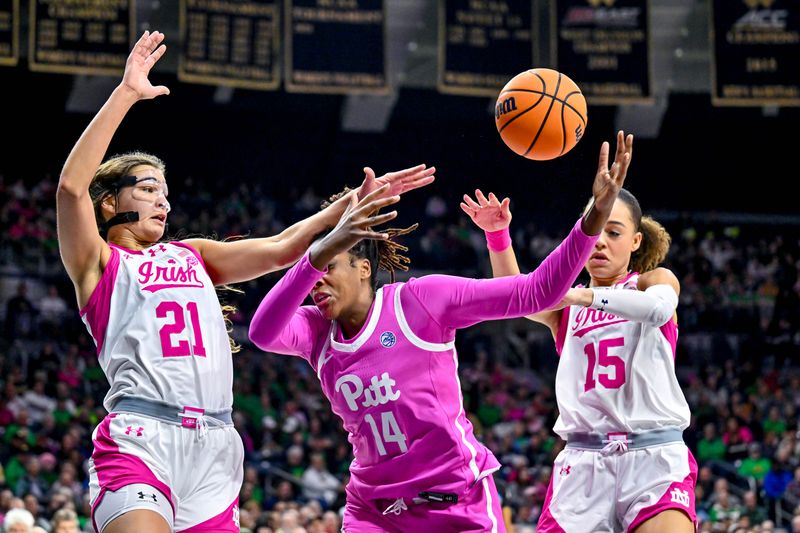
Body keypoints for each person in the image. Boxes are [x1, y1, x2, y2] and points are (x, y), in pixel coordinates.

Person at [55, 30, 434, 533]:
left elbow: (282, 247)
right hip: (143, 435)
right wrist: (126, 93)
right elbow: (70, 187)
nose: (164, 202)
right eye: (148, 189)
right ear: (111, 204)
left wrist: (351, 202)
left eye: (166, 192)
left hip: (215, 445)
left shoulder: (192, 254)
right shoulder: (98, 263)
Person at [248, 134, 631, 532]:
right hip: (375, 510)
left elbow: (537, 292)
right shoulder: (315, 330)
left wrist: (595, 218)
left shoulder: (421, 301)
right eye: (314, 272)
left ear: (364, 268)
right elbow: (261, 332)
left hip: (456, 502)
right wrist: (316, 255)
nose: (316, 283)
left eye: (330, 267)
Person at [461, 132, 696, 533]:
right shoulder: (564, 306)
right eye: (596, 229)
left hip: (653, 454)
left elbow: (659, 310)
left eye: (615, 232)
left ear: (636, 241)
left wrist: (586, 296)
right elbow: (513, 295)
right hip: (583, 463)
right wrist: (498, 235)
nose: (601, 241)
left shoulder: (650, 281)